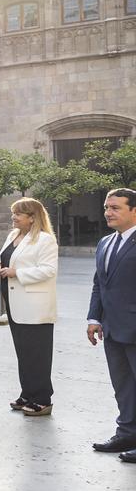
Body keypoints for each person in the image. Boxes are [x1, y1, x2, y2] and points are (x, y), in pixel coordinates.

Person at [0, 198, 58, 417]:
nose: (14, 217)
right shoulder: (13, 236)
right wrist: (1, 267)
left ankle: (42, 399)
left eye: (18, 214)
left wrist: (16, 273)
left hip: (34, 306)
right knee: (23, 352)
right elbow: (9, 259)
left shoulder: (45, 240)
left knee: (38, 353)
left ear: (32, 217)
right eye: (13, 213)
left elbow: (48, 270)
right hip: (13, 303)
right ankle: (28, 393)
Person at [87, 188, 136, 461]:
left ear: (134, 210)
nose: (108, 212)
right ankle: (127, 432)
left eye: (116, 207)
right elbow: (100, 284)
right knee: (123, 385)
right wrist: (94, 318)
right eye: (107, 207)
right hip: (112, 329)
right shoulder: (105, 242)